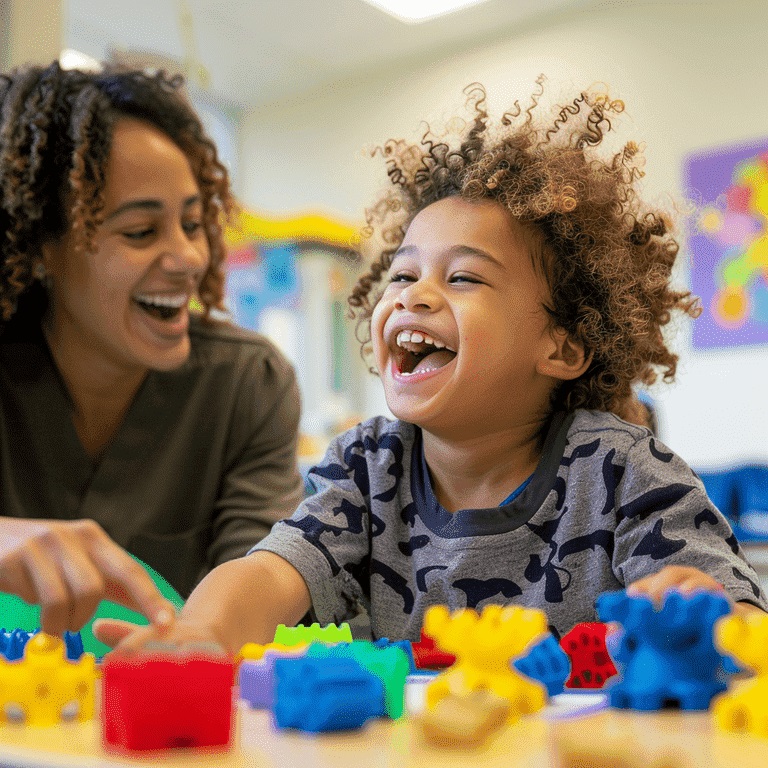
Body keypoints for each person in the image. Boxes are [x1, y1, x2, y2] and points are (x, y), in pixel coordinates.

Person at [96, 80, 766, 655]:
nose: (413, 293)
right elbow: (271, 572)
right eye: (403, 272)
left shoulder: (625, 471)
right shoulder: (366, 470)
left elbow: (741, 619)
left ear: (562, 346)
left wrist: (701, 608)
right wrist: (202, 631)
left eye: (465, 277)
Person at [0, 63, 303, 638]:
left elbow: (265, 574)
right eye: (140, 232)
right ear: (43, 247)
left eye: (192, 223)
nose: (189, 256)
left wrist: (211, 629)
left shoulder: (246, 383)